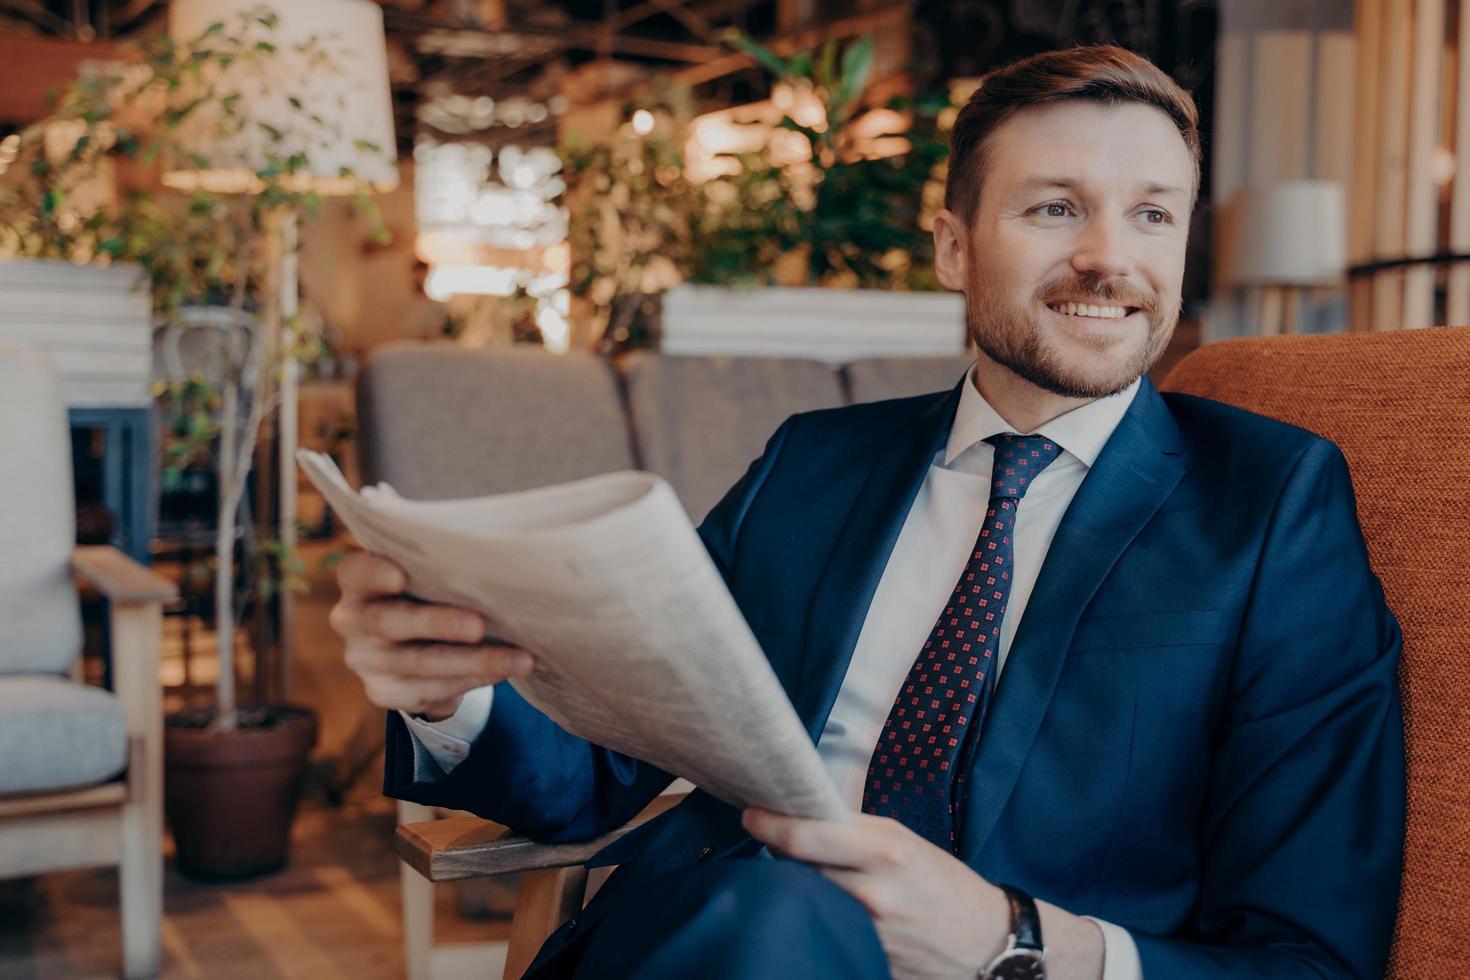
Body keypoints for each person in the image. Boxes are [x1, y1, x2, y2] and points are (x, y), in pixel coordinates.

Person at [330, 46, 1404, 980]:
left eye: (1153, 214)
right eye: (1054, 206)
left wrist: (1012, 937)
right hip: (720, 931)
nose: (1109, 259)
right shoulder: (815, 463)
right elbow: (607, 766)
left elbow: (1307, 950)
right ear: (952, 247)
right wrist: (452, 694)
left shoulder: (1272, 505)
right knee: (770, 910)